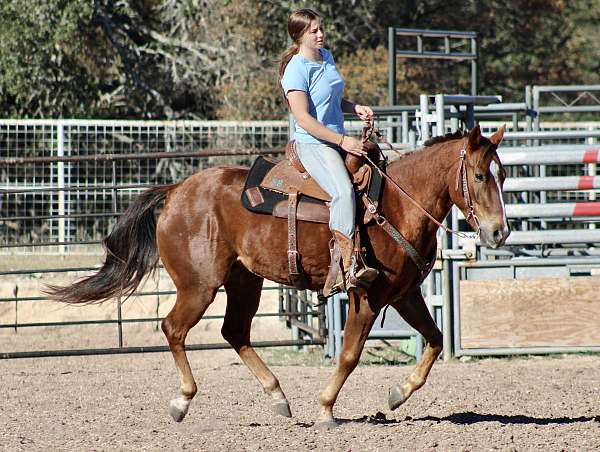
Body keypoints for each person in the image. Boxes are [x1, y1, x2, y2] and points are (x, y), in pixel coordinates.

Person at [278, 8, 378, 293]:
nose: (321, 34)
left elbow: (332, 97)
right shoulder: (295, 70)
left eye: (321, 28)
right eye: (314, 31)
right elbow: (304, 118)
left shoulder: (327, 57)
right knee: (343, 192)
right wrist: (342, 141)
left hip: (336, 138)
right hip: (314, 143)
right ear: (299, 36)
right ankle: (346, 267)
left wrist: (353, 107)